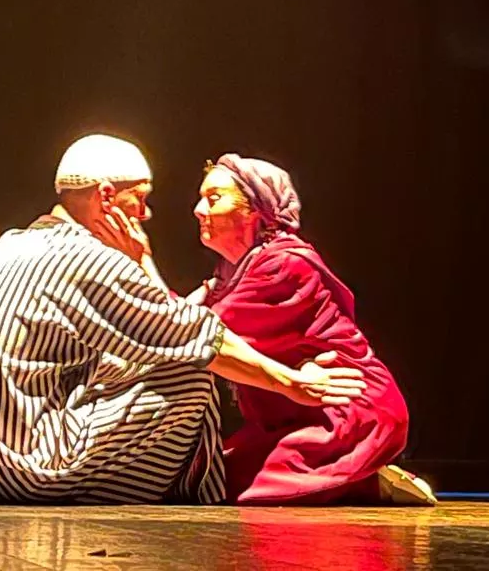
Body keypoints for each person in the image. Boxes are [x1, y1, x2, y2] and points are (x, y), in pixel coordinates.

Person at [0, 134, 366, 504]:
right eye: (138, 199)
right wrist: (292, 382)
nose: (146, 214)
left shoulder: (13, 242)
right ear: (105, 197)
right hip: (19, 468)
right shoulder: (87, 258)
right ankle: (204, 488)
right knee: (190, 372)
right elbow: (197, 336)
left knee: (139, 359)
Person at [187, 154, 436, 505]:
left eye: (214, 199)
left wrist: (139, 261)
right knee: (210, 474)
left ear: (255, 211)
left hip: (347, 411)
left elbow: (188, 332)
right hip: (304, 413)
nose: (199, 209)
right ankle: (362, 479)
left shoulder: (282, 265)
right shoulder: (233, 273)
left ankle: (365, 480)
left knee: (220, 484)